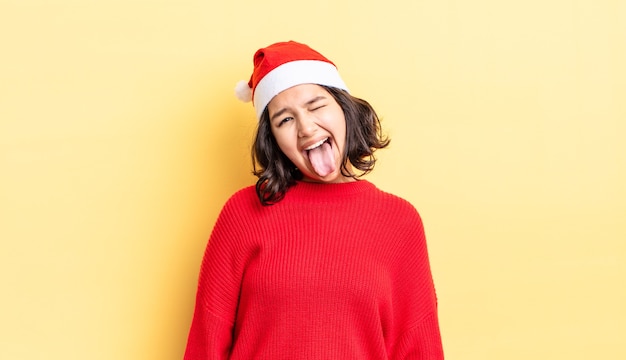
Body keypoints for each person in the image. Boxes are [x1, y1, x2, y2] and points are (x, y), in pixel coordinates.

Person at [183, 40, 444, 359]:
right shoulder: (242, 214)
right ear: (274, 140)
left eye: (316, 105)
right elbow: (205, 344)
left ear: (345, 109)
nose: (306, 128)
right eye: (285, 119)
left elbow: (418, 348)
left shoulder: (399, 221)